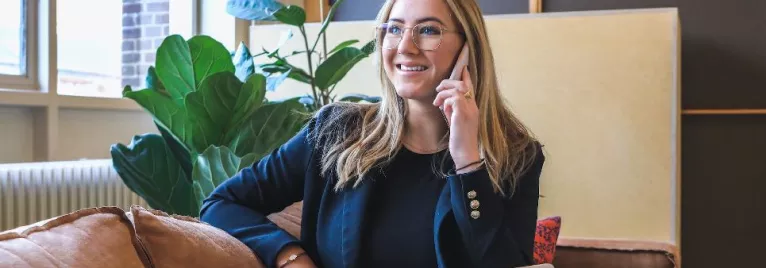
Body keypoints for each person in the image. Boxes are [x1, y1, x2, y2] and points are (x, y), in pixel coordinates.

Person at [199, 0, 546, 267]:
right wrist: (289, 256)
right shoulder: (335, 132)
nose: (405, 46)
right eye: (394, 29)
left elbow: (505, 263)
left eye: (428, 30)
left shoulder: (516, 156)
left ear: (467, 48)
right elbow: (221, 203)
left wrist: (468, 163)